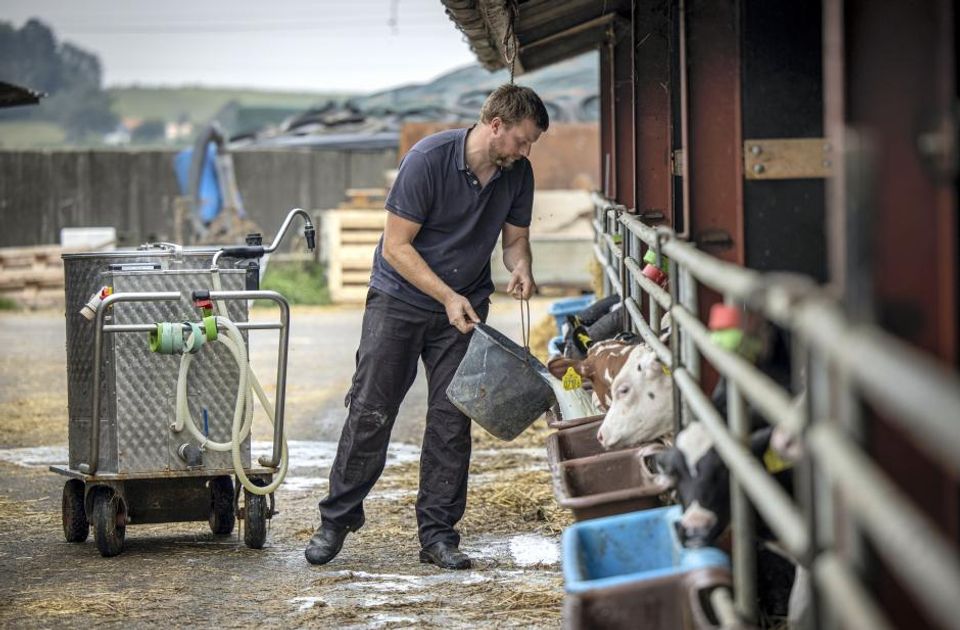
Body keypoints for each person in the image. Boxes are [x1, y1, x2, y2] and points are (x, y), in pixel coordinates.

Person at [305, 84, 549, 570]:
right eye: (522, 140)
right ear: (495, 125)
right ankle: (337, 519)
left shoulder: (517, 173)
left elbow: (514, 239)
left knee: (452, 420)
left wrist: (520, 265)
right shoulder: (428, 160)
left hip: (464, 306)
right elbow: (396, 247)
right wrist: (446, 296)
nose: (526, 151)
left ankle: (438, 536)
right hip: (399, 300)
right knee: (371, 409)